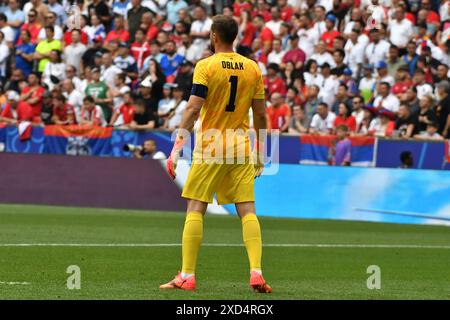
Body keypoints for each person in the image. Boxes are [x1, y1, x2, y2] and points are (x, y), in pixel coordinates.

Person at [162, 15, 271, 293]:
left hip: (211, 145)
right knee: (247, 210)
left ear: (213, 36)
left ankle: (187, 275)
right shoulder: (252, 68)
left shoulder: (206, 66)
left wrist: (176, 148)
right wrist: (260, 149)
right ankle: (256, 271)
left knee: (196, 207)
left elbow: (193, 108)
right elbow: (260, 114)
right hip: (240, 146)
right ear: (234, 36)